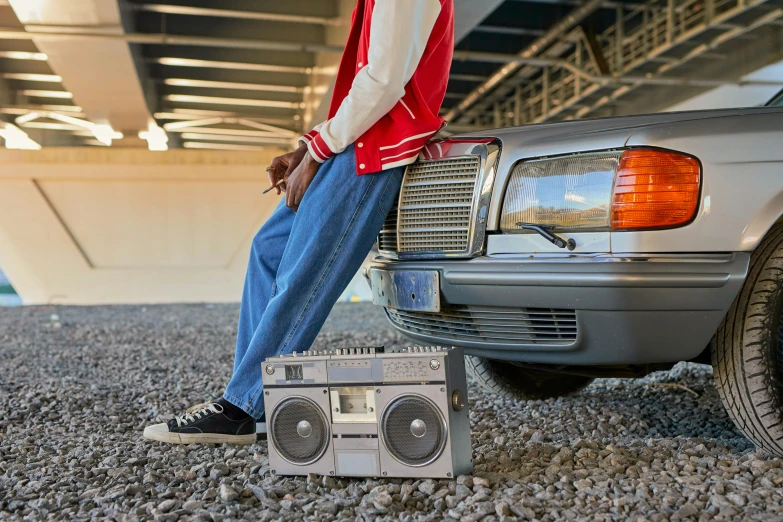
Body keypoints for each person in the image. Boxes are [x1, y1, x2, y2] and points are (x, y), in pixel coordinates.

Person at [143, 0, 455, 445]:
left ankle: (241, 408)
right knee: (269, 250)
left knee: (302, 273)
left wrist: (319, 152)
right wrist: (310, 149)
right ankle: (252, 402)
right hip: (354, 145)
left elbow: (385, 81)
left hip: (375, 153)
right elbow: (369, 85)